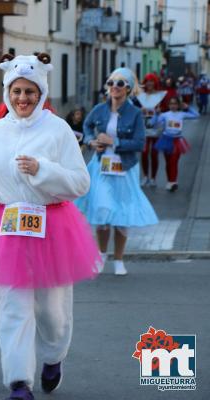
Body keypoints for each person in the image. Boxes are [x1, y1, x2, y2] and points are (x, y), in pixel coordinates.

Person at [0, 53, 100, 400]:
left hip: (51, 225)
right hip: (7, 226)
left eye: (30, 92)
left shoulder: (58, 130)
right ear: (7, 92)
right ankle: (19, 382)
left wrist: (42, 170)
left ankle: (53, 357)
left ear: (42, 94)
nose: (22, 99)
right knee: (12, 308)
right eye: (17, 91)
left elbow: (80, 183)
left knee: (51, 310)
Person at [75, 67, 158, 276]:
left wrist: (115, 142)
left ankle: (119, 259)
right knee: (102, 211)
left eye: (120, 83)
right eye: (111, 82)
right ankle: (102, 255)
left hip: (125, 167)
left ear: (128, 88)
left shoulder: (135, 113)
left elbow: (139, 143)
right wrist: (91, 141)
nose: (114, 87)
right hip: (101, 165)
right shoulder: (99, 109)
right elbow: (86, 125)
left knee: (121, 215)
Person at [152, 97, 199, 191]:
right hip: (166, 140)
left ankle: (173, 181)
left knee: (174, 161)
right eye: (171, 104)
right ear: (168, 105)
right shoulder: (165, 115)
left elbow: (196, 115)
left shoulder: (181, 114)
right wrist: (156, 114)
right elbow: (154, 123)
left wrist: (188, 107)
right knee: (168, 162)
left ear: (178, 105)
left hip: (177, 140)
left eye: (175, 104)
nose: (173, 106)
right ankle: (169, 181)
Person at [137, 73, 166, 187]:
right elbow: (134, 109)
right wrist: (140, 110)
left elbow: (168, 109)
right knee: (144, 153)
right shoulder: (140, 96)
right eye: (147, 81)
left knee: (154, 153)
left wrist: (160, 111)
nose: (149, 83)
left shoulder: (161, 96)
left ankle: (153, 178)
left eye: (152, 81)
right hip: (143, 129)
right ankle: (145, 176)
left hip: (156, 130)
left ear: (155, 82)